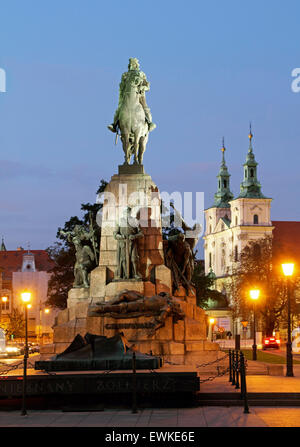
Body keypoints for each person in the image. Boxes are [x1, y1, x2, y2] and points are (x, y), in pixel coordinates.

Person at [108, 58, 156, 134]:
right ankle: (114, 124)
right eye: (130, 64)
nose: (131, 66)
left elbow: (147, 86)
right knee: (120, 108)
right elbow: (122, 85)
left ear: (136, 65)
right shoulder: (125, 75)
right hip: (126, 94)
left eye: (132, 64)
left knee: (145, 107)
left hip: (139, 95)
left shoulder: (141, 74)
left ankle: (150, 123)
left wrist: (142, 87)